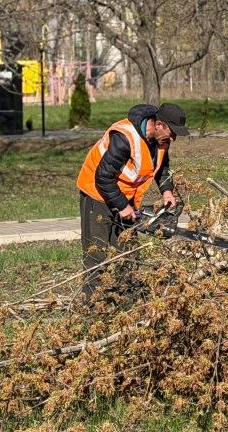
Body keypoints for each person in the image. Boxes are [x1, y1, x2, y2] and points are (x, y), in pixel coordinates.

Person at [76, 102, 189, 293]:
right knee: (97, 253)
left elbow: (162, 168)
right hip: (97, 194)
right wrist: (122, 206)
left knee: (128, 251)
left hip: (124, 196)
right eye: (172, 132)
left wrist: (167, 191)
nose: (174, 138)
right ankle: (91, 306)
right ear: (159, 124)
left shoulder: (162, 141)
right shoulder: (124, 137)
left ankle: (127, 299)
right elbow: (102, 177)